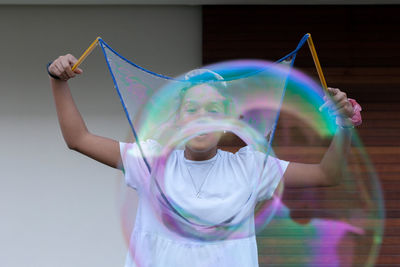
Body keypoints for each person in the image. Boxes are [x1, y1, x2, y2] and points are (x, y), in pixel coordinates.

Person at [48, 54, 361, 267]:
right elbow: (78, 138)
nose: (201, 118)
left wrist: (343, 125)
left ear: (227, 123)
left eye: (213, 111)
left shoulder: (250, 166)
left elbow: (327, 173)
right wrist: (58, 80)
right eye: (192, 109)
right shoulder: (151, 161)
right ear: (178, 120)